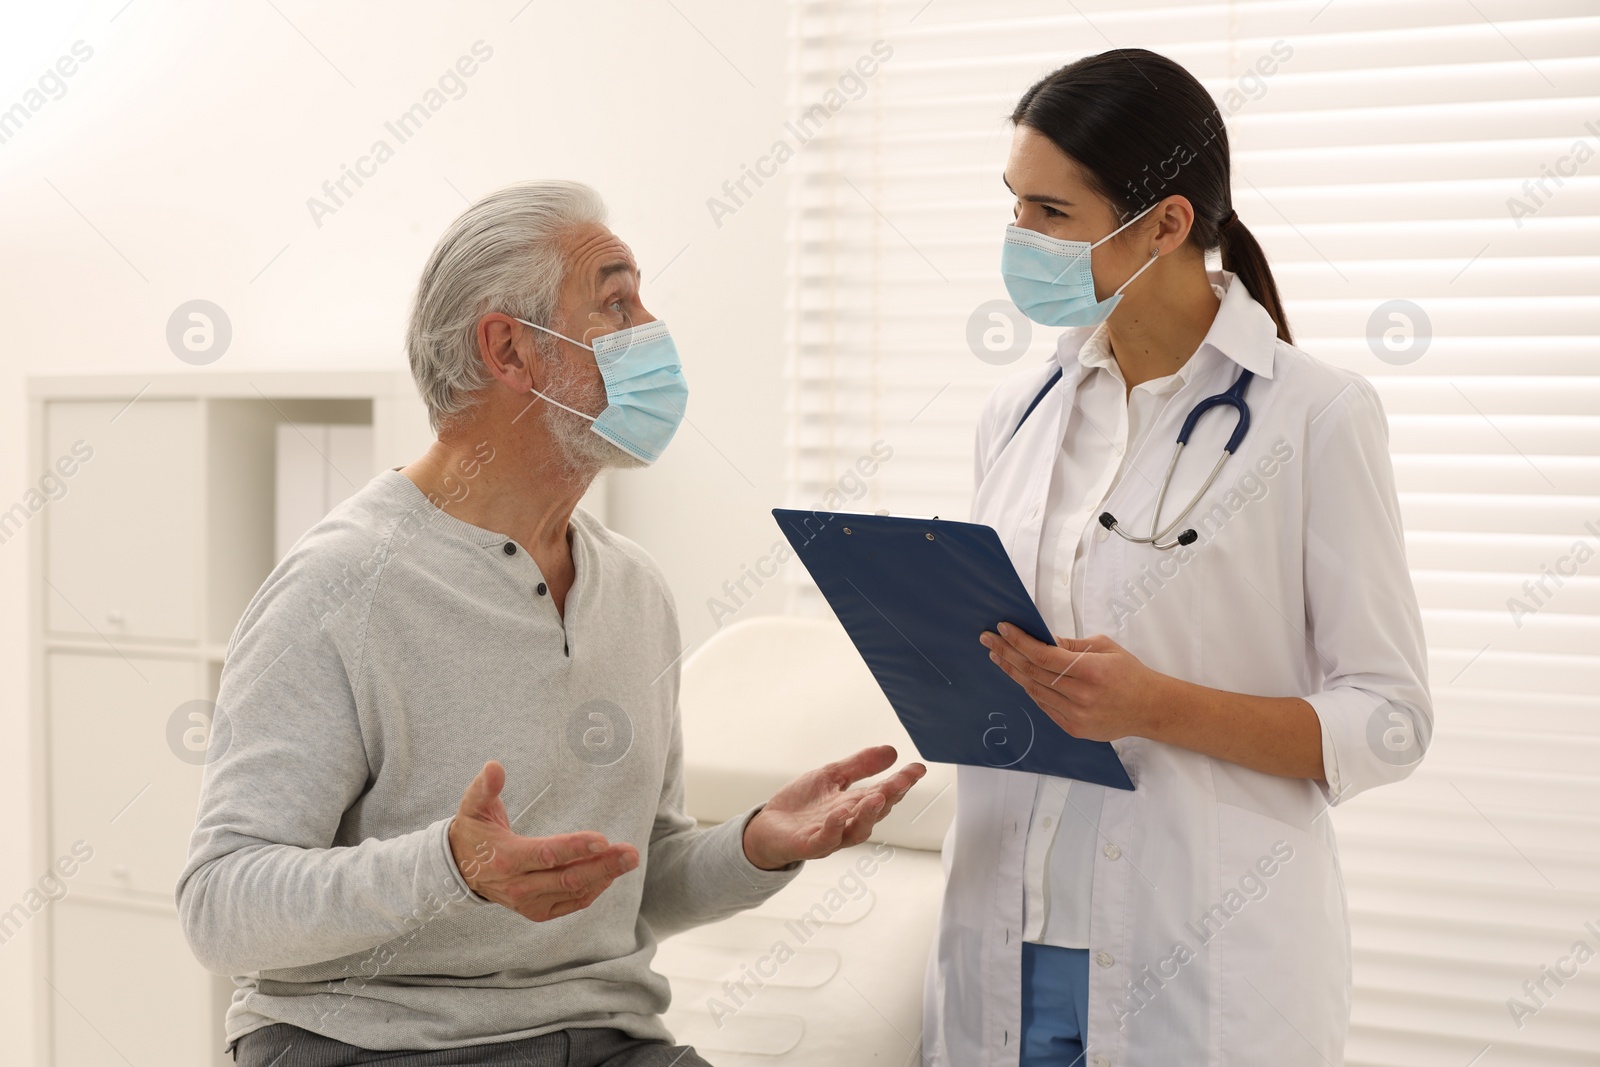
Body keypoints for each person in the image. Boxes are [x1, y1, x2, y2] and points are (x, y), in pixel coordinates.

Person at [175, 180, 927, 1067]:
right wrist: (450, 868)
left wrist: (756, 845)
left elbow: (628, 875)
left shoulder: (633, 590)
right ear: (510, 349)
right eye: (616, 301)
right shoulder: (338, 587)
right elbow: (220, 905)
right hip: (377, 1045)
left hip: (607, 1040)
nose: (652, 328)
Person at [920, 49, 1431, 1067]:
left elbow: (1389, 718)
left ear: (1167, 223)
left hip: (1195, 969)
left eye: (1053, 214)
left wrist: (1155, 705)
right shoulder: (1016, 412)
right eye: (1014, 205)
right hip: (1002, 944)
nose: (1021, 238)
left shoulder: (1313, 417)